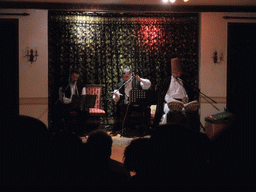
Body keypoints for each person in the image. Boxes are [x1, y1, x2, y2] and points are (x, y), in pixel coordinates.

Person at [153, 58, 196, 127]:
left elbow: (186, 93)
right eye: (176, 73)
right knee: (169, 112)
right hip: (169, 103)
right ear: (172, 73)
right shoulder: (167, 81)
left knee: (186, 113)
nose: (178, 74)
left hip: (182, 103)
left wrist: (186, 98)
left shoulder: (182, 81)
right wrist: (173, 102)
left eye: (179, 73)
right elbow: (164, 95)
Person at [112, 68, 151, 135]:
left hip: (138, 104)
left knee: (147, 109)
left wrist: (140, 79)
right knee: (124, 106)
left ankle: (146, 129)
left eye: (127, 77)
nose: (125, 79)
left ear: (131, 75)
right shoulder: (121, 84)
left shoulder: (137, 81)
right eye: (124, 77)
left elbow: (148, 84)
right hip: (126, 104)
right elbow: (115, 98)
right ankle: (126, 129)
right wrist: (116, 95)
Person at [58, 69, 87, 135]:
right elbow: (62, 98)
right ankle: (69, 132)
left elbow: (83, 96)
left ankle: (79, 131)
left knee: (85, 112)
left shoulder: (81, 85)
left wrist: (79, 102)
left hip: (77, 105)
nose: (75, 79)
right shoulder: (64, 84)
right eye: (73, 77)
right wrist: (72, 101)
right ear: (70, 75)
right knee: (65, 112)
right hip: (68, 104)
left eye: (76, 77)